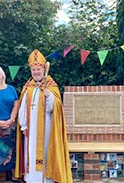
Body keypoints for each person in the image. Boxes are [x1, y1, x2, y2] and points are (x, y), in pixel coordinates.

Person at [15, 49, 73, 183]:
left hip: (46, 128)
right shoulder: (27, 87)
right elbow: (22, 107)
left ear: (43, 69)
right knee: (30, 152)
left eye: (38, 69)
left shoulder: (51, 86)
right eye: (33, 70)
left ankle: (46, 179)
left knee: (46, 152)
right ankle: (31, 179)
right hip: (30, 129)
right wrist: (23, 125)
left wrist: (49, 97)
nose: (36, 72)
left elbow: (55, 108)